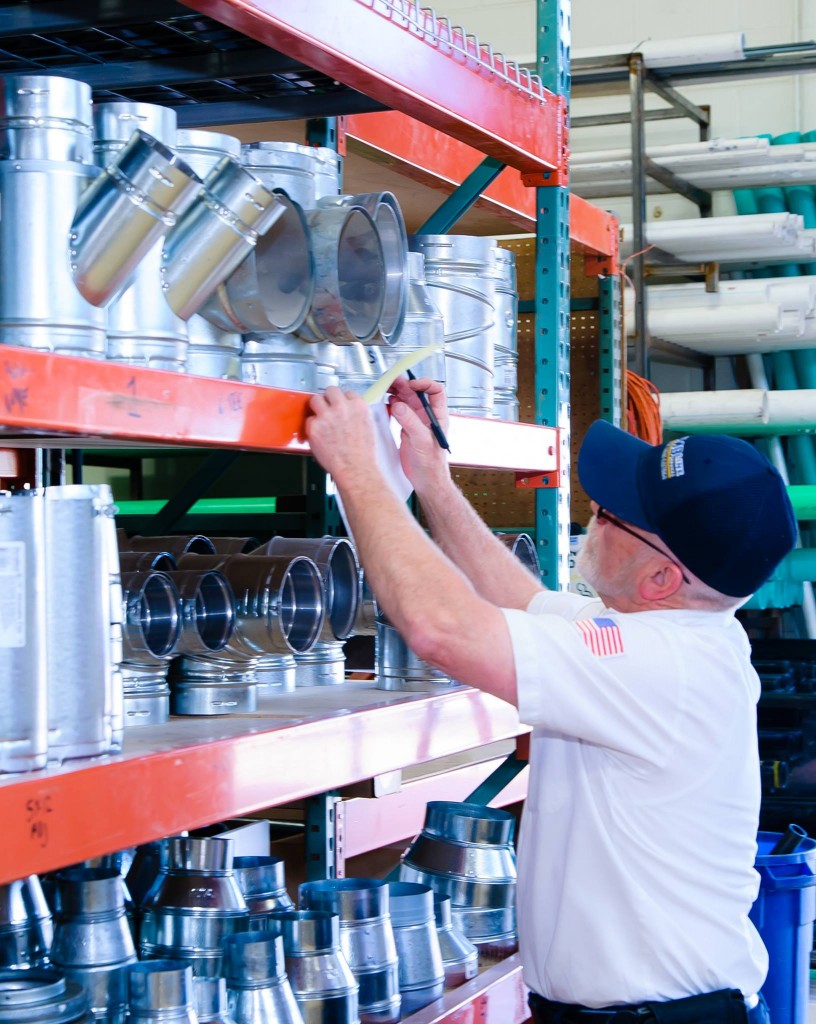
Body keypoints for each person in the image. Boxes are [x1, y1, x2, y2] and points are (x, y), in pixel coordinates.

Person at [305, 377, 798, 1024]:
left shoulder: (663, 667)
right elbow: (519, 600)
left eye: (614, 514)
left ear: (660, 577)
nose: (594, 508)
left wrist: (355, 469)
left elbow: (442, 630)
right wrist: (431, 478)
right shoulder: (674, 634)